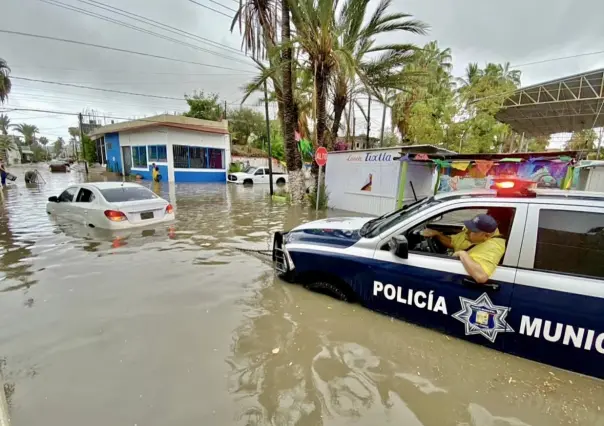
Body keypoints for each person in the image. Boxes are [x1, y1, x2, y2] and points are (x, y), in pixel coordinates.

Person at [422, 214, 506, 284]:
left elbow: (481, 276)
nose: (467, 231)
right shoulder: (475, 234)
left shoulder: (494, 247)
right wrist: (437, 234)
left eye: (472, 230)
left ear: (486, 236)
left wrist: (462, 254)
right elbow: (452, 242)